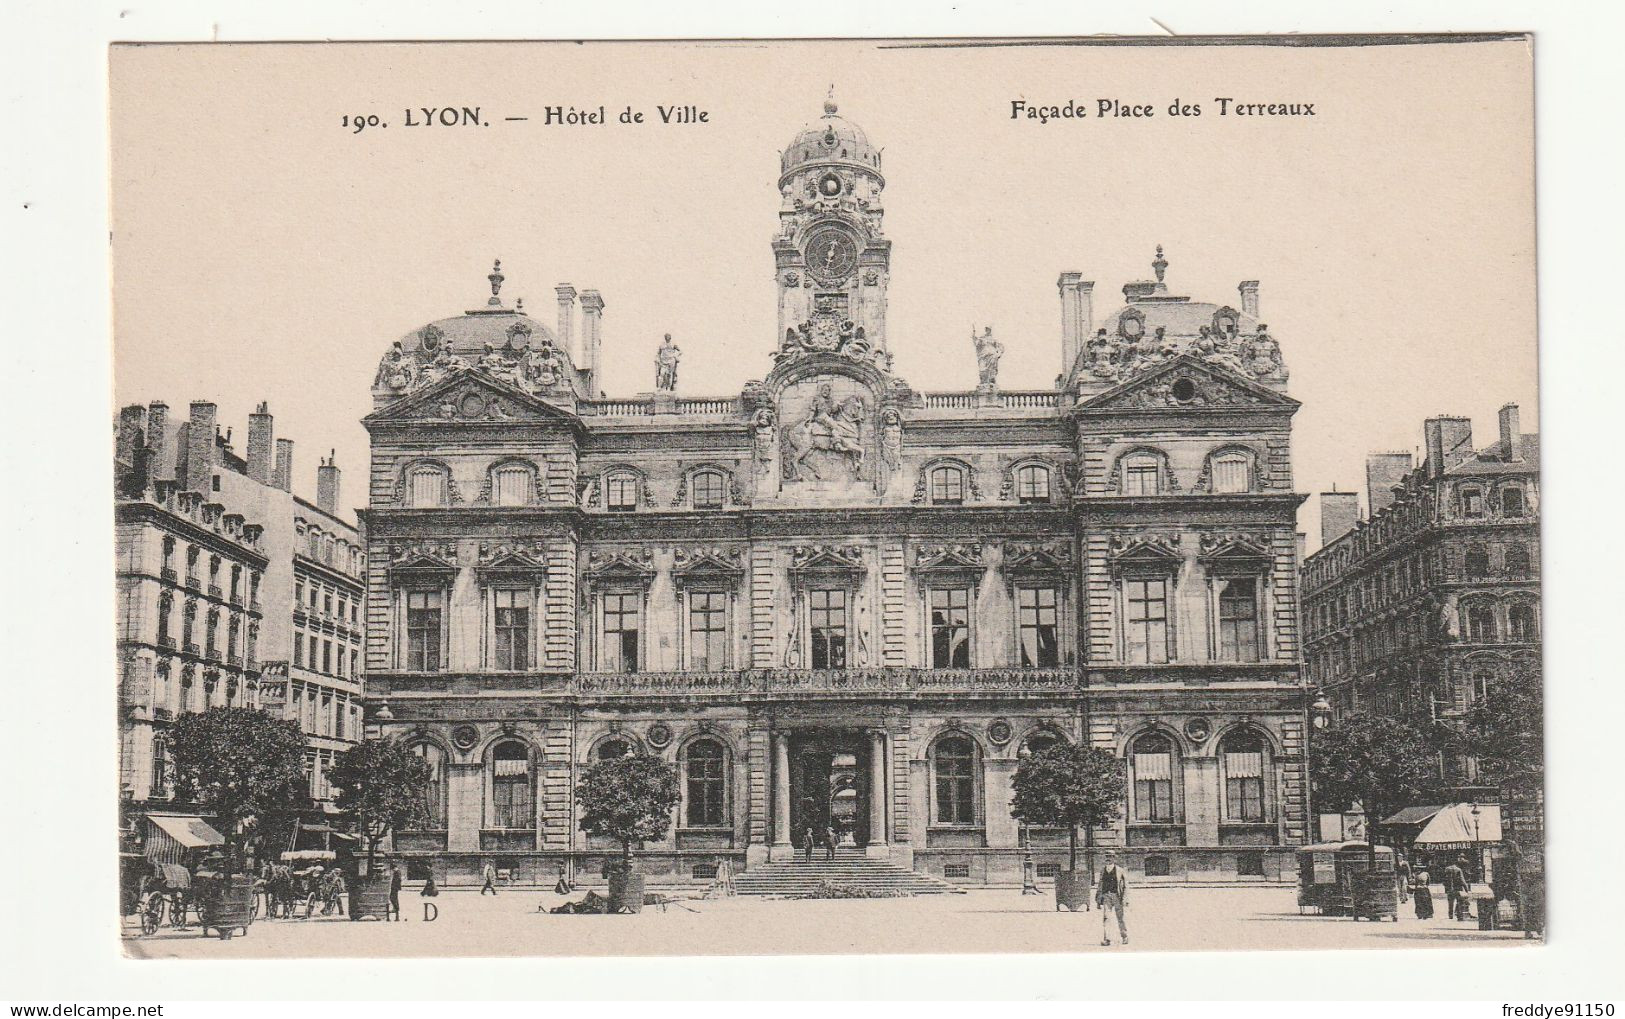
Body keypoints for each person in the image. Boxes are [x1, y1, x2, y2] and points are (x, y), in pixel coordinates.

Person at [1096, 851, 1129, 946]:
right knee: (1106, 917)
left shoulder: (1120, 870)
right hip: (1106, 896)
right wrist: (1098, 900)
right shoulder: (1103, 870)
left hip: (1117, 896)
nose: (1108, 858)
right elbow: (1100, 885)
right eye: (1107, 856)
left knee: (1120, 918)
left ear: (1114, 858)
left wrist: (1125, 899)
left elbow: (1126, 886)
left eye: (1110, 856)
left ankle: (1124, 936)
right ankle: (1107, 939)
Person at [1442, 855, 1471, 921]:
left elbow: (1444, 880)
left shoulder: (1447, 869)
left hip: (1449, 889)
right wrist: (1466, 889)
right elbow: (1462, 880)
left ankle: (1450, 915)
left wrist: (1446, 887)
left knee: (1450, 902)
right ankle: (1459, 915)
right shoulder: (1458, 869)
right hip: (1457, 888)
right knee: (1459, 902)